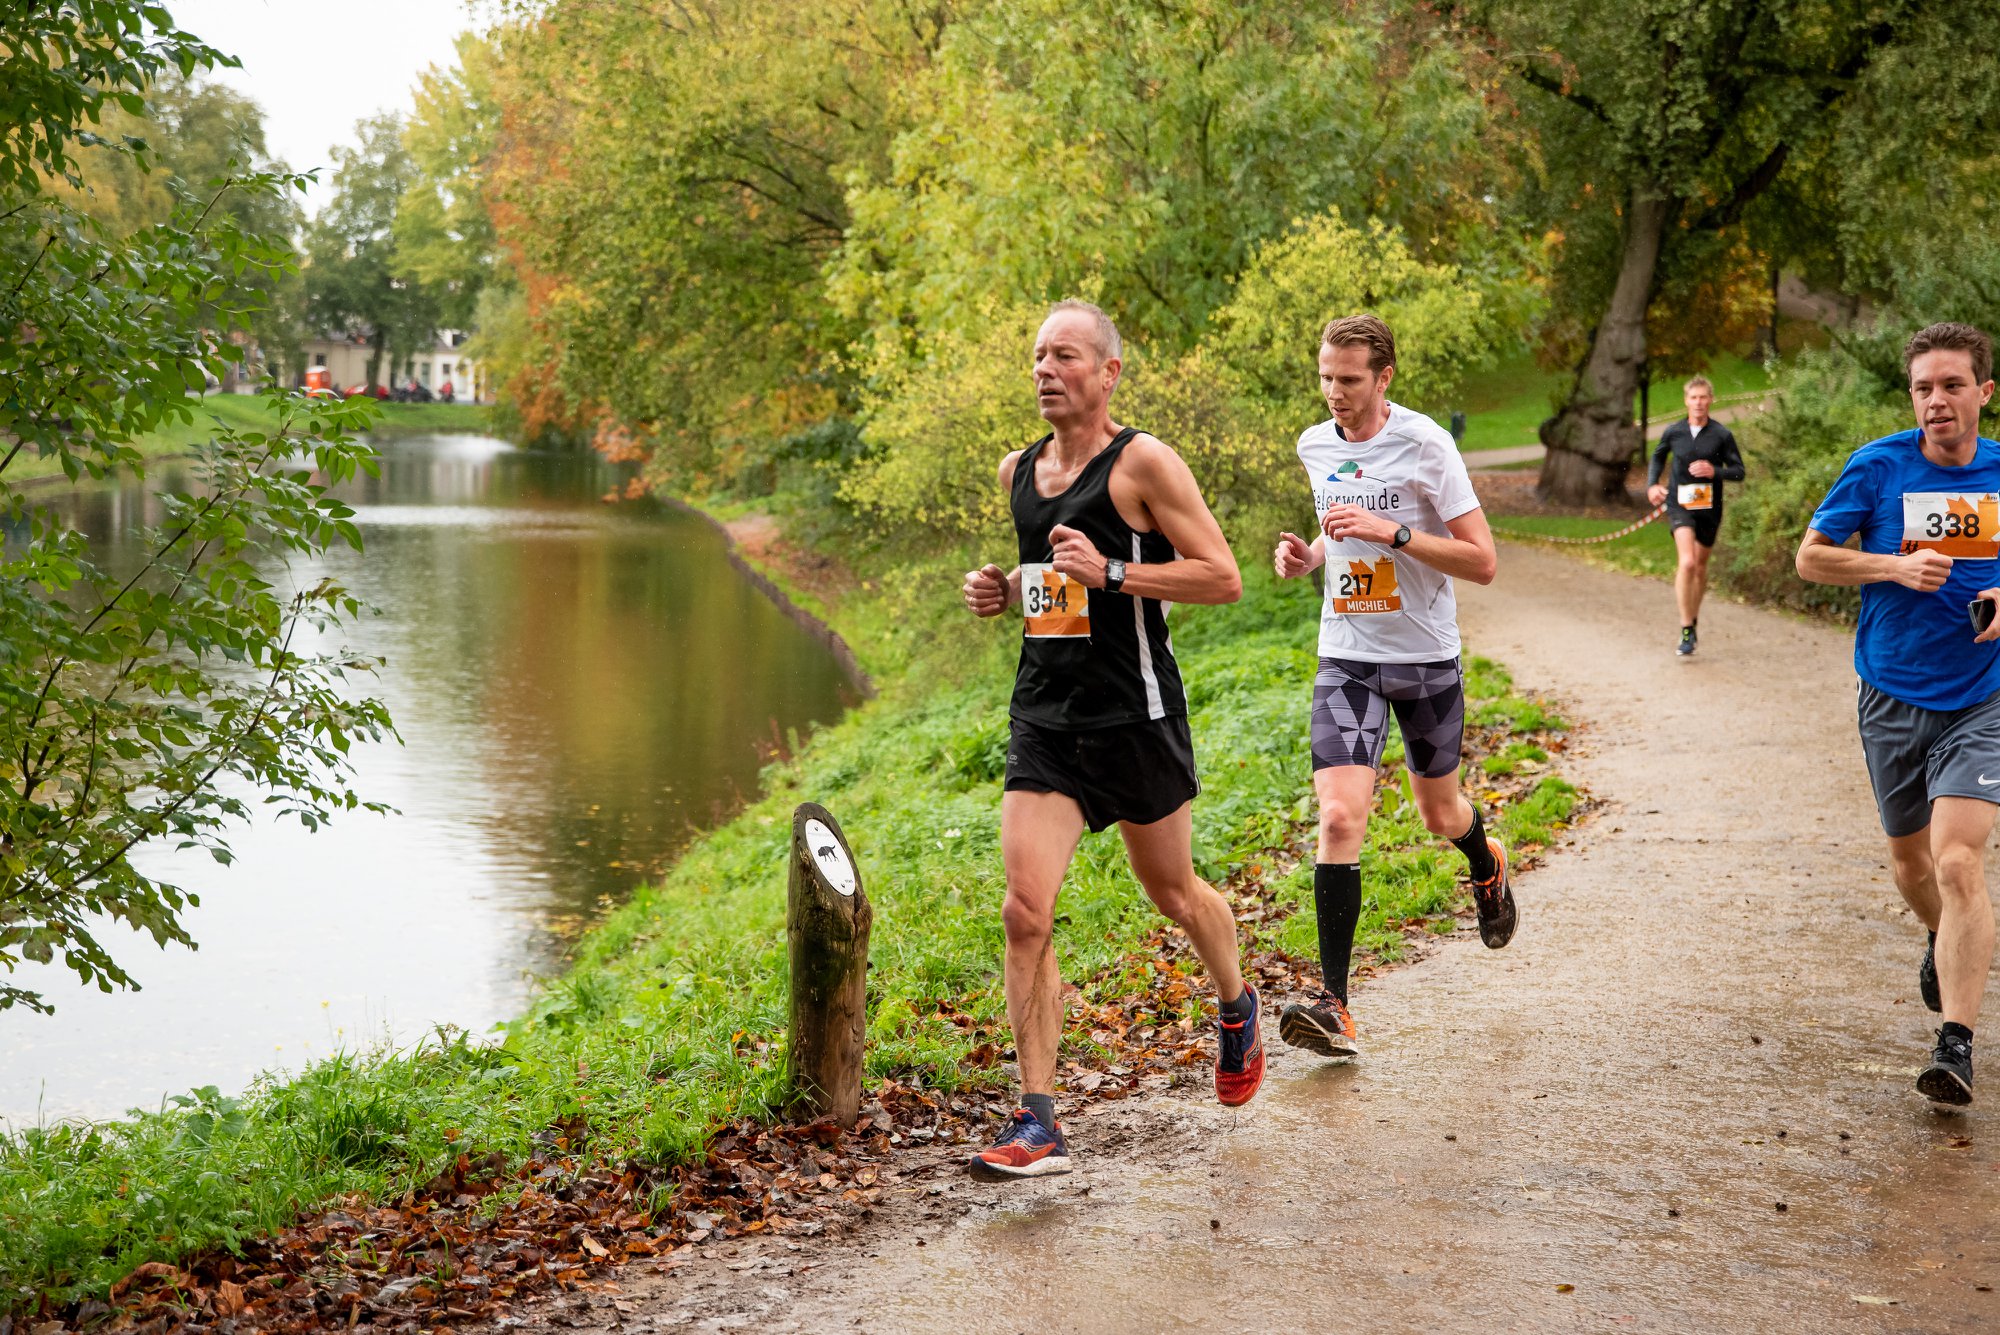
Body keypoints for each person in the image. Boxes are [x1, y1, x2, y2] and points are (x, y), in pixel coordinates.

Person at [959, 299, 1263, 1180]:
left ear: (1108, 372)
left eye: (1064, 356)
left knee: (1172, 890)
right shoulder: (1018, 469)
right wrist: (1001, 592)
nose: (1045, 370)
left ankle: (1236, 1003)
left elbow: (1224, 577)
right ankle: (1040, 1119)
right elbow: (1048, 586)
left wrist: (1116, 570)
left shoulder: (1145, 464)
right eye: (1037, 356)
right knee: (1025, 910)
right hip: (1045, 718)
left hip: (1136, 716)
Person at [1270, 314, 1515, 1060]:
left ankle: (1486, 860)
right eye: (1325, 378)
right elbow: (1337, 527)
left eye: (1348, 380)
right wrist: (1311, 556)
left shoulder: (1425, 444)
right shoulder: (1315, 444)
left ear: (1384, 378)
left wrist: (1397, 536)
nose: (1334, 393)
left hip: (1425, 659)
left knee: (1441, 814)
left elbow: (1482, 561)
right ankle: (1335, 1004)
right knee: (1340, 816)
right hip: (1347, 655)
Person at [1796, 320, 2000, 1107]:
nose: (1936, 401)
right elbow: (1811, 556)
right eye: (1923, 388)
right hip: (1890, 692)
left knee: (1957, 863)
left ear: (1984, 391)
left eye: (1952, 385)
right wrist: (1892, 565)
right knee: (1912, 868)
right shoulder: (1878, 468)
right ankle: (1941, 936)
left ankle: (1956, 1045)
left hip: (1982, 695)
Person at [1646, 375, 1746, 657]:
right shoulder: (1673, 432)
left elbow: (1739, 471)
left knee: (1700, 567)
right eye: (1694, 397)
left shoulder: (1721, 435)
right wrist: (1653, 484)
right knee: (1687, 562)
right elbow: (1657, 457)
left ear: (1711, 400)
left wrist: (1716, 471)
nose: (1698, 402)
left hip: (1709, 509)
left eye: (1703, 397)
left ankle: (1693, 616)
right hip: (1680, 505)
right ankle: (1685, 627)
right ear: (1686, 401)